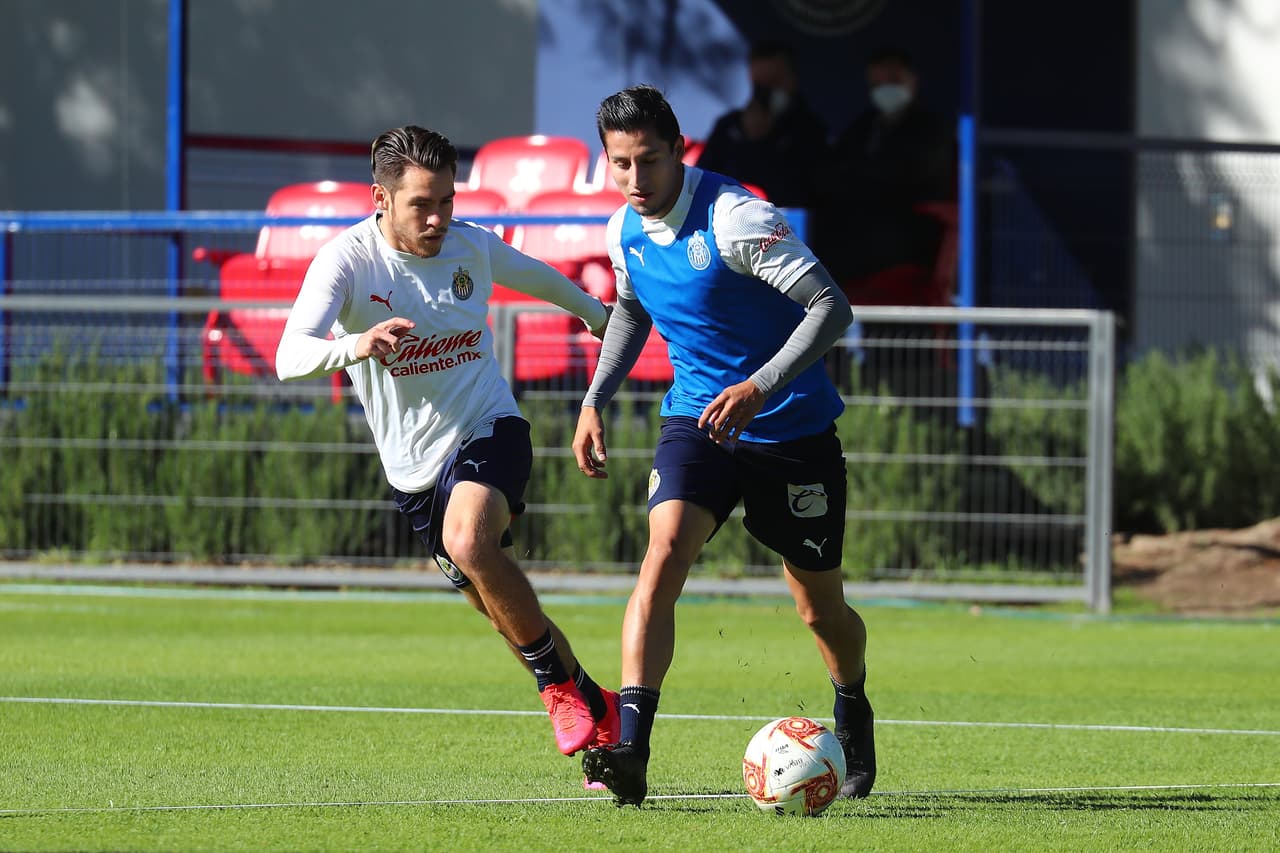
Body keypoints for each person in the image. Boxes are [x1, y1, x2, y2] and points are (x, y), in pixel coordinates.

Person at [275, 125, 619, 784]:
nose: (437, 218)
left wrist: (599, 315)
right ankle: (596, 705)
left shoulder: (471, 246)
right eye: (420, 205)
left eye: (447, 201)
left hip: (489, 427)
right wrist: (356, 342)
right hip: (414, 473)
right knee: (499, 610)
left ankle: (556, 691)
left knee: (470, 540)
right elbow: (291, 354)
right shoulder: (346, 262)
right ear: (381, 198)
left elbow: (544, 279)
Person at [573, 85, 875, 807]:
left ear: (681, 150)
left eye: (648, 161)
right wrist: (594, 399)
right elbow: (631, 310)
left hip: (790, 430)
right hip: (698, 423)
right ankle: (632, 749)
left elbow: (832, 306)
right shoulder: (624, 231)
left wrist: (761, 386)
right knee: (663, 548)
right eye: (620, 165)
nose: (635, 181)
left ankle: (852, 704)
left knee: (819, 609)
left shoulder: (739, 218)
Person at [815, 45, 955, 297]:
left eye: (893, 81)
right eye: (877, 84)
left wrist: (865, 179)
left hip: (911, 232)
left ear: (912, 81)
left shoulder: (932, 128)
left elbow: (912, 176)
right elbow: (836, 171)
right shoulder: (865, 125)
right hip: (862, 226)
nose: (885, 90)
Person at [695, 40, 828, 209]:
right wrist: (747, 138)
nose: (765, 94)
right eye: (759, 86)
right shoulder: (729, 127)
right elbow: (702, 182)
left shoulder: (810, 130)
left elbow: (811, 193)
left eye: (774, 83)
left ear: (792, 79)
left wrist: (763, 142)